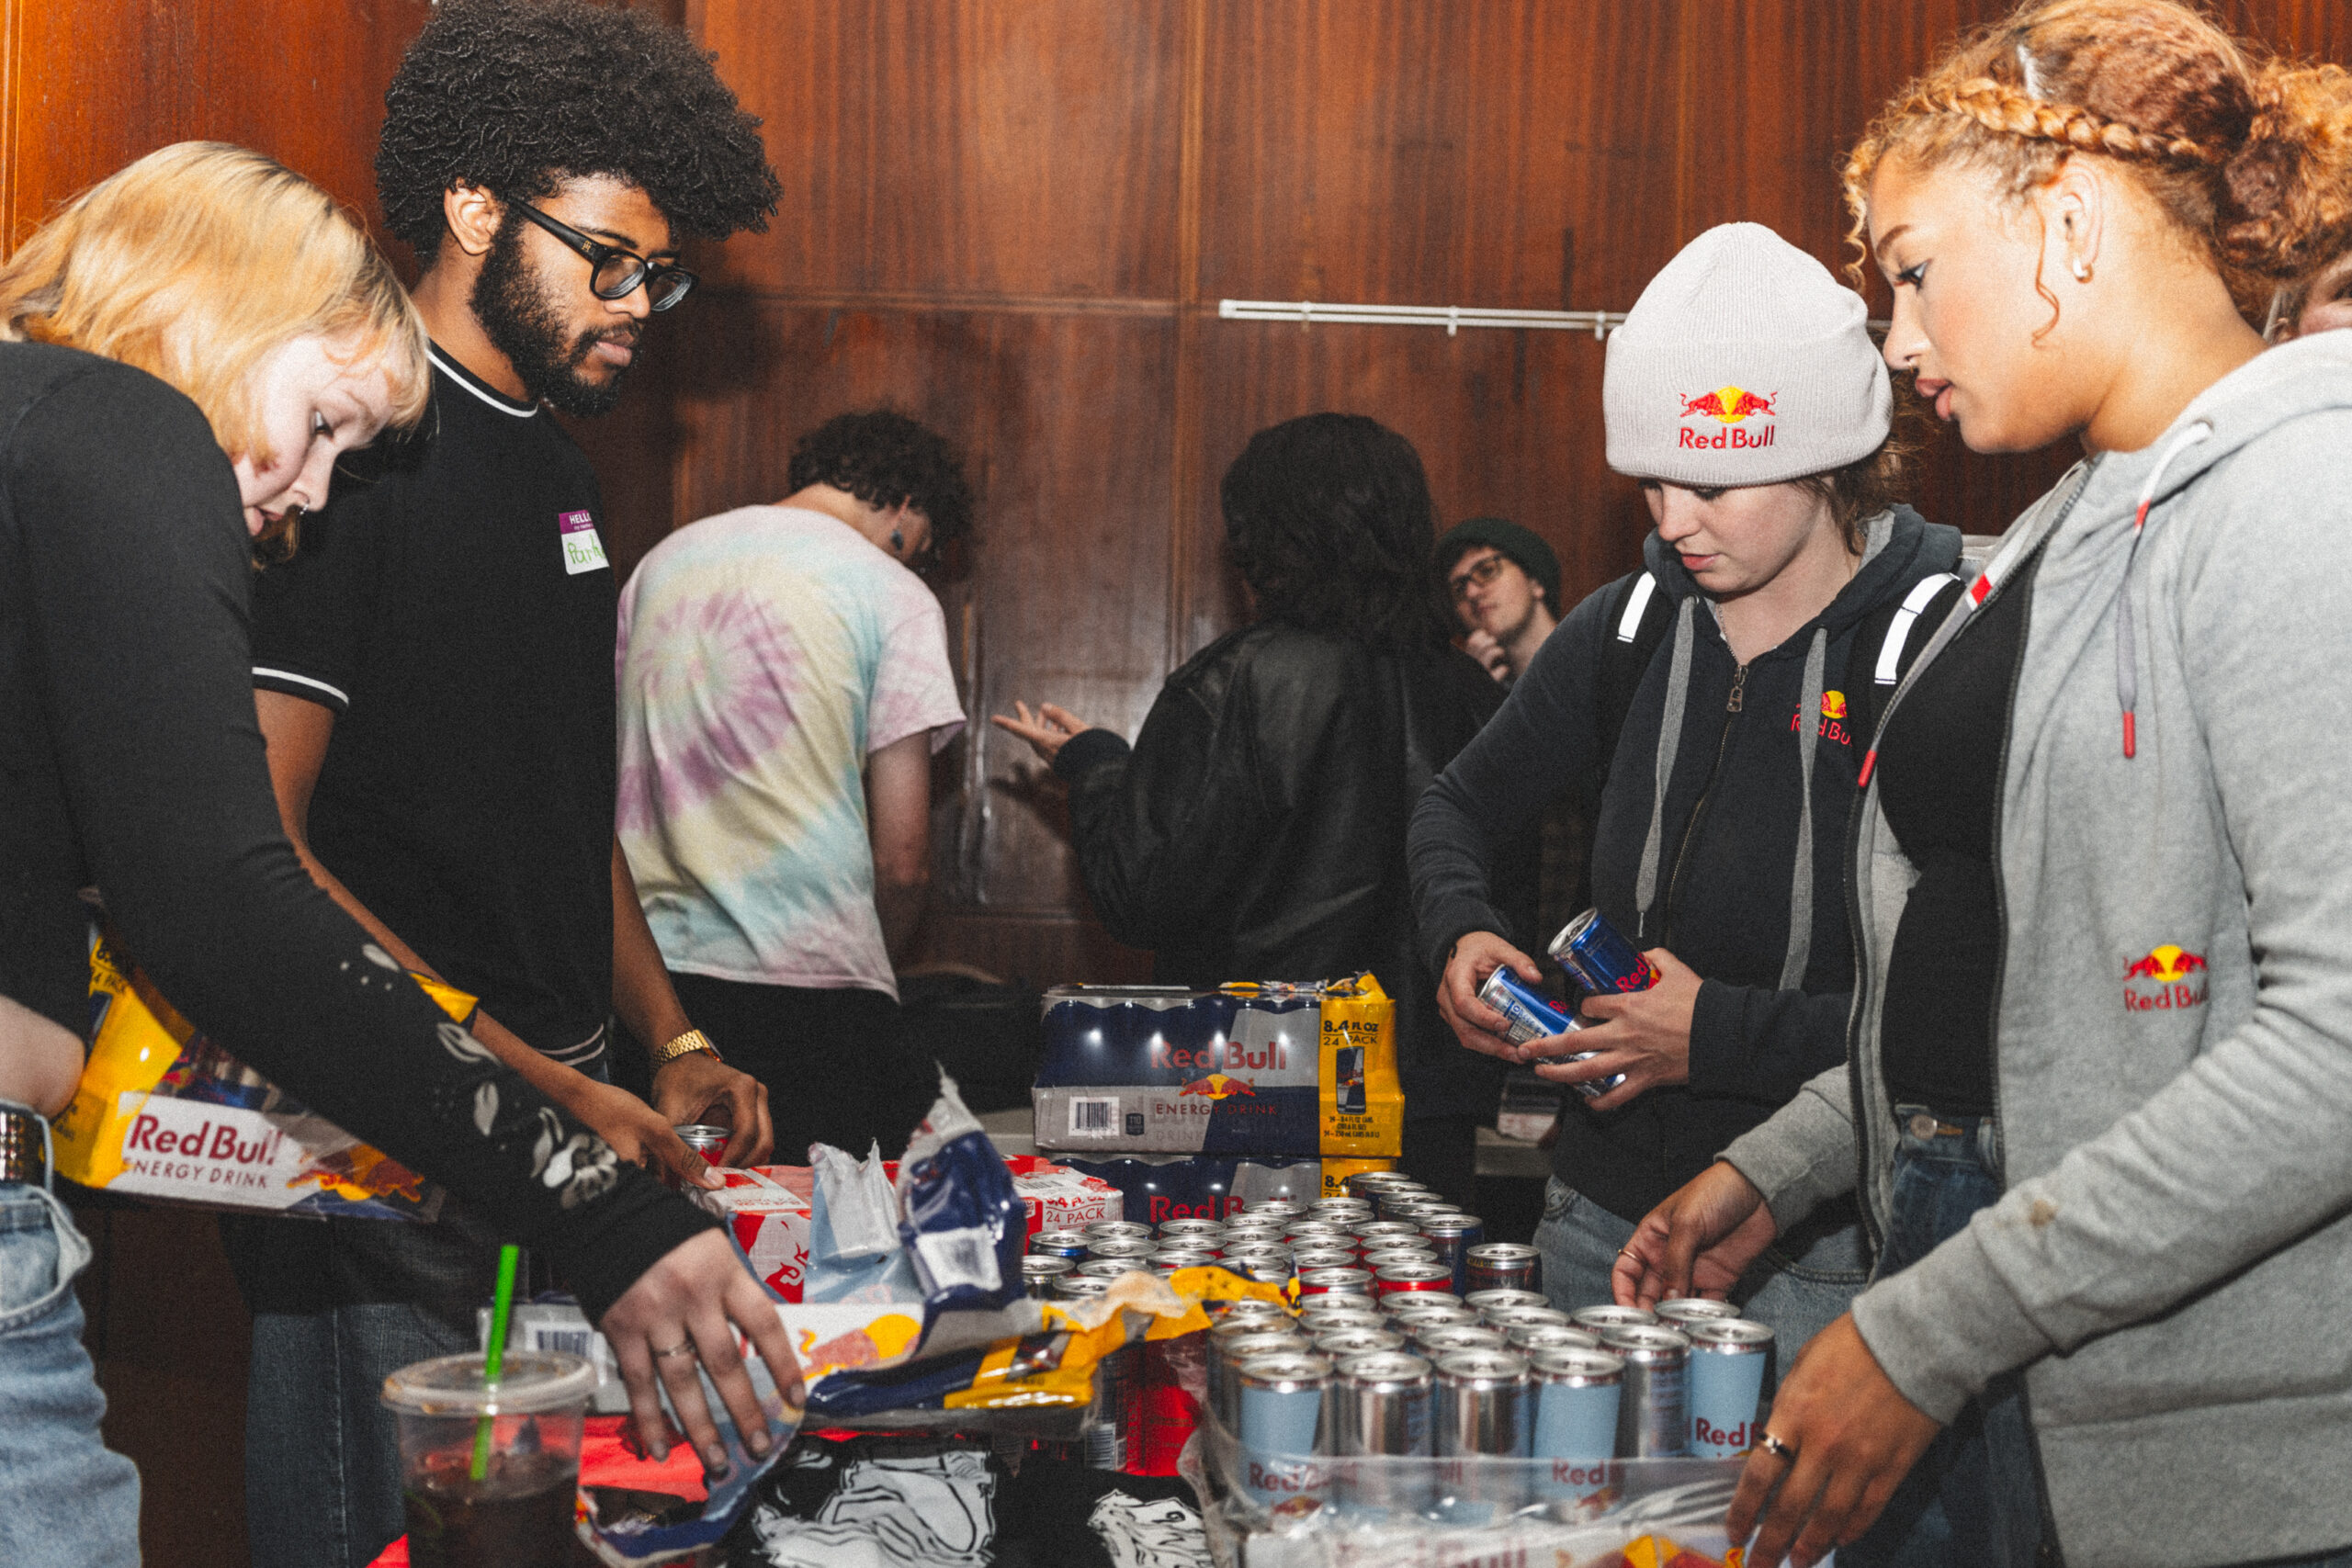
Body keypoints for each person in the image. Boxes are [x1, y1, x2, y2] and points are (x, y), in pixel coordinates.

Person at [1611, 7, 2352, 1565]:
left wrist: (1925, 1329)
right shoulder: (2073, 527)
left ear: (2068, 228)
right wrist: (1790, 1162)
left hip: (2190, 1420)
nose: (1897, 339)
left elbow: (2334, 1045)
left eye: (1915, 270)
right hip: (2010, 1305)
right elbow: (2014, 967)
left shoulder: (2299, 488)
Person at [0, 141, 797, 1568]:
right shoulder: (125, 420)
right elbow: (225, 898)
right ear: (209, 307)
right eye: (319, 423)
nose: (306, 495)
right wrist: (589, 1199)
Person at [223, 5, 786, 1563]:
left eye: (658, 274)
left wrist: (668, 1036)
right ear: (474, 207)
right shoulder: (349, 446)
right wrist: (536, 1085)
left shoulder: (557, 467)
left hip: (557, 1126)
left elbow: (558, 801)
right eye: (606, 259)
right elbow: (262, 852)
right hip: (384, 1150)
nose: (638, 305)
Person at [1408, 222, 1965, 1359]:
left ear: (1827, 459)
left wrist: (1715, 1035)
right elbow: (1451, 807)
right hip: (1595, 1217)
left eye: (1710, 482)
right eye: (1651, 483)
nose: (1671, 522)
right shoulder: (1628, 624)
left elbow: (1965, 1011)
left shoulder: (1933, 648)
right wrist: (1458, 927)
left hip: (1829, 1248)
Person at [992, 413, 1521, 1208]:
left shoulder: (1236, 681)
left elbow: (1140, 893)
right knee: (1406, 1285)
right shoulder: (1479, 696)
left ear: (1267, 537)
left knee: (1240, 1290)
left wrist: (1097, 770)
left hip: (1255, 1094)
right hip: (1428, 1106)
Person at [616, 409, 973, 1160]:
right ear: (907, 507)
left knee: (664, 1218)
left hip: (647, 989)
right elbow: (903, 859)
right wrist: (872, 967)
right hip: (808, 990)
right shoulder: (891, 591)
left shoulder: (659, 563)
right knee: (814, 1228)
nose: (916, 565)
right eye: (922, 549)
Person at [1437, 516, 1562, 682]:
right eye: (1459, 589)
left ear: (1535, 582)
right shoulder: (1473, 686)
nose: (1471, 593)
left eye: (1487, 571)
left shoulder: (1594, 660)